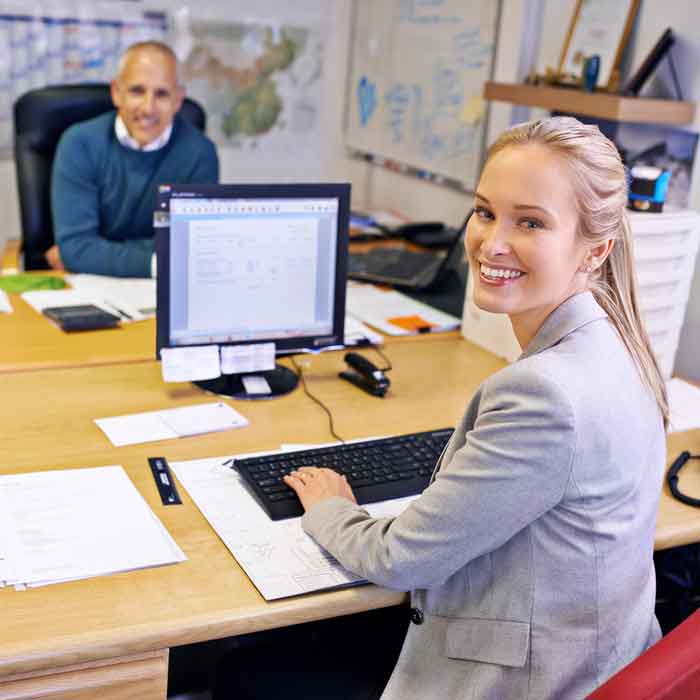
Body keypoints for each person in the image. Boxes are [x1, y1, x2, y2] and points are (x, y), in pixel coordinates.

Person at [218, 116, 666, 700]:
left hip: (525, 681)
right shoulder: (619, 342)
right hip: (594, 654)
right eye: (485, 212)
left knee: (246, 672)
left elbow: (400, 558)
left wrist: (330, 507)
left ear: (595, 249)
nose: (492, 242)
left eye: (530, 222)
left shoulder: (546, 394)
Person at [48, 41, 219, 277]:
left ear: (178, 100)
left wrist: (89, 253)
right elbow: (77, 248)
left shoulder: (201, 154)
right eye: (137, 91)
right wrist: (161, 260)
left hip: (163, 292)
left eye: (161, 94)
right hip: (88, 289)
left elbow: (192, 247)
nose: (148, 108)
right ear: (116, 93)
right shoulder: (79, 144)